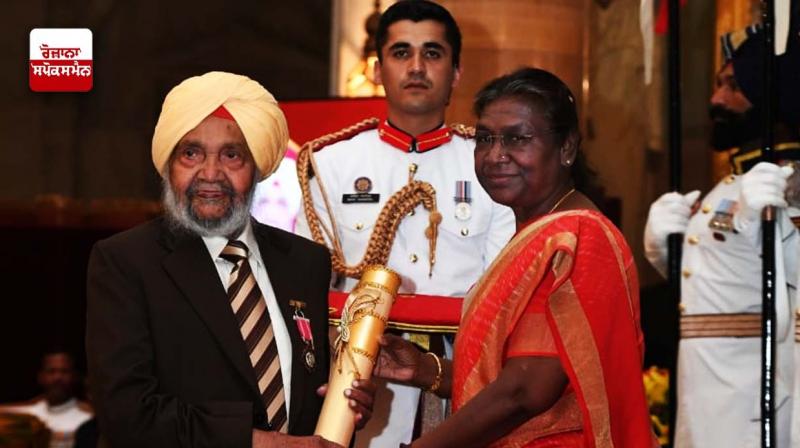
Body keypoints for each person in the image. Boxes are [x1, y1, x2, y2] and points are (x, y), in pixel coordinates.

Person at [86, 71, 375, 448]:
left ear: (257, 168)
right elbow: (126, 414)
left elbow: (308, 394)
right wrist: (266, 444)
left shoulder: (306, 262)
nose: (210, 174)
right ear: (169, 165)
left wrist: (344, 407)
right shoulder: (126, 261)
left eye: (231, 155)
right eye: (191, 154)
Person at [374, 67, 657, 447]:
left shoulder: (576, 236)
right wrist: (426, 369)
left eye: (517, 139)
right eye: (485, 139)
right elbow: (512, 377)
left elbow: (525, 390)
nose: (495, 156)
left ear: (567, 148)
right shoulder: (540, 234)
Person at [296, 1, 515, 446]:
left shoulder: (489, 166)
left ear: (456, 72)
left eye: (432, 53)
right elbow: (306, 289)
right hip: (361, 374)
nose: (416, 67)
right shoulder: (331, 164)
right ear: (378, 70)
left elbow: (504, 294)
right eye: (401, 53)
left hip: (459, 374)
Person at [644, 23, 800, 448]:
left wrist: (775, 223)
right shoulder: (729, 188)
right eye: (718, 84)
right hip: (703, 396)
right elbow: (719, 287)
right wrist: (665, 249)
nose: (716, 99)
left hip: (754, 402)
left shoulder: (787, 184)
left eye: (733, 85)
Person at [0, 351, 92, 448]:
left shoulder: (89, 416)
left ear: (75, 376)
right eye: (51, 371)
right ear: (41, 376)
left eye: (64, 371)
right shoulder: (26, 413)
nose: (58, 377)